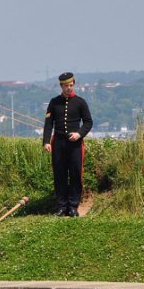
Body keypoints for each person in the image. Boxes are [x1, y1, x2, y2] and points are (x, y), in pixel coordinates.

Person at [42, 72, 93, 217]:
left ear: (74, 84)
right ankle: (61, 206)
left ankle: (73, 206)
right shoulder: (54, 102)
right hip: (58, 143)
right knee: (60, 174)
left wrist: (79, 134)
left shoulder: (80, 102)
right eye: (66, 86)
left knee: (76, 174)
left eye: (71, 85)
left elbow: (88, 122)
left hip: (75, 144)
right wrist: (46, 141)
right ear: (61, 86)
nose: (68, 88)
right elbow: (48, 124)